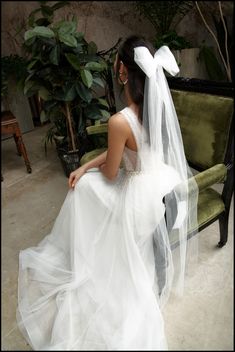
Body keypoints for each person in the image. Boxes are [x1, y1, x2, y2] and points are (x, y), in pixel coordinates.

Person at [17, 35, 198, 350]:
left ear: (123, 72)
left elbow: (114, 171)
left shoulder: (119, 121)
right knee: (86, 180)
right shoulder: (154, 111)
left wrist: (90, 170)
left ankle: (86, 253)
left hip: (138, 198)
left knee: (84, 191)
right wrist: (87, 166)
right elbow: (132, 151)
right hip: (161, 187)